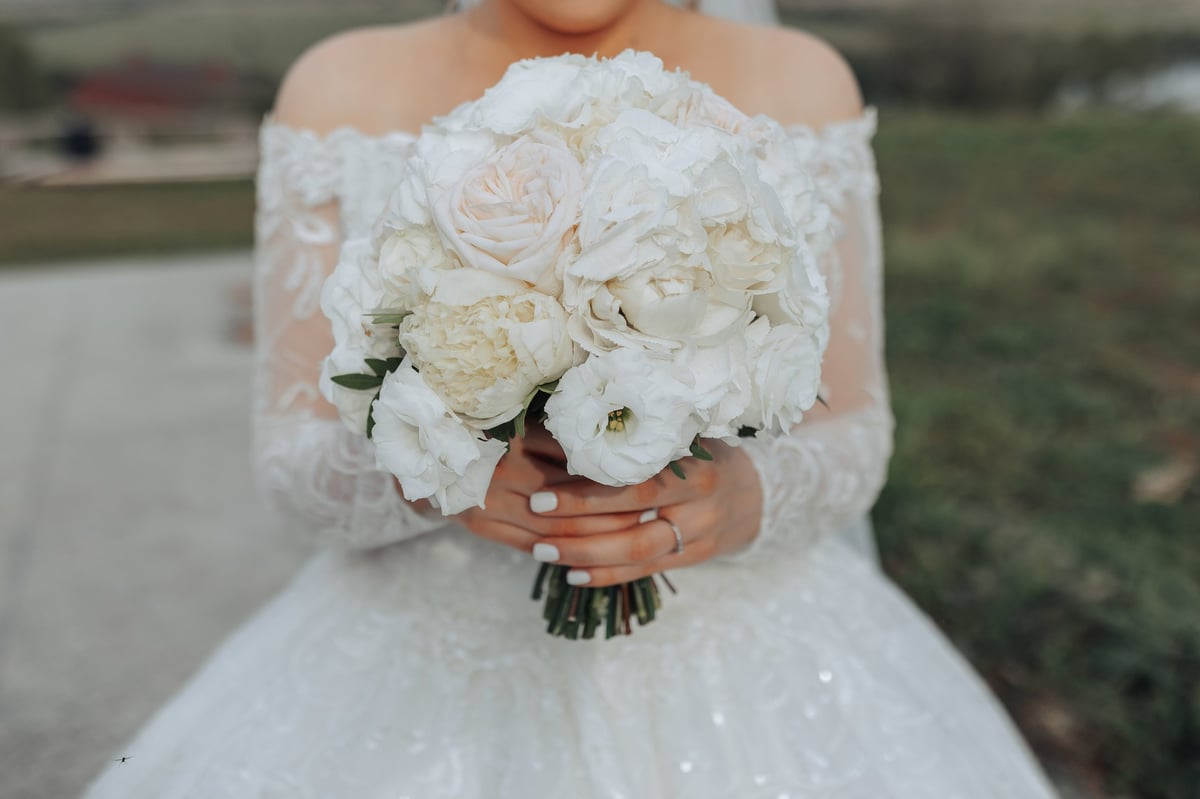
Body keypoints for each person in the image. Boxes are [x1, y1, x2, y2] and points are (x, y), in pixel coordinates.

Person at [82, 1, 1060, 796]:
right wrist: (430, 472)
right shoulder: (337, 90)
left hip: (746, 638)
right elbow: (291, 468)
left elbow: (857, 432)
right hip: (422, 658)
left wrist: (743, 493)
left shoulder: (800, 84)